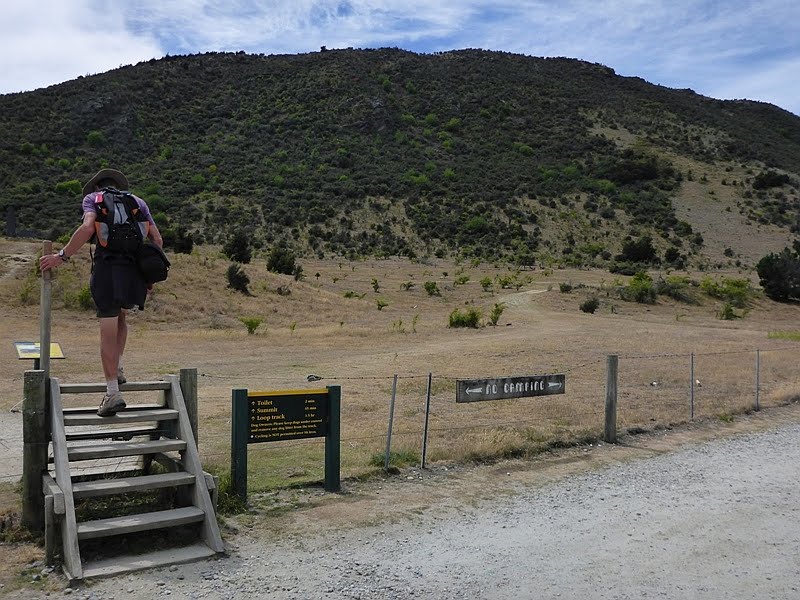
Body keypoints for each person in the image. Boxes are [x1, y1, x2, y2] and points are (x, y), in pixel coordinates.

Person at [39, 169, 163, 416]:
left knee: (107, 330)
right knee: (122, 318)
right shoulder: (138, 202)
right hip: (133, 272)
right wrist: (149, 278)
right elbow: (157, 240)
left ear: (97, 187)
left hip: (107, 271)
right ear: (118, 185)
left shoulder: (93, 200)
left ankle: (113, 393)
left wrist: (61, 256)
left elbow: (87, 229)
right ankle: (117, 368)